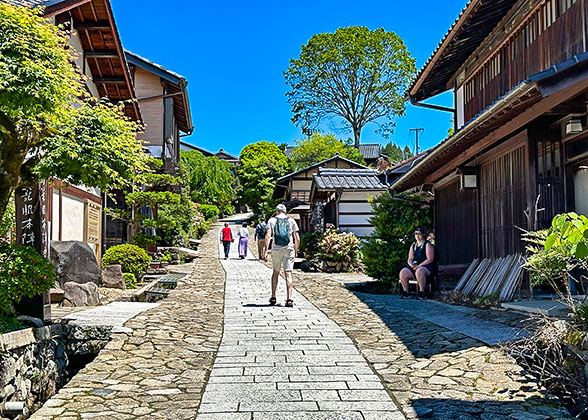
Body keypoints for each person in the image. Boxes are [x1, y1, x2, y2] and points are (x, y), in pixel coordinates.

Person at [264, 204, 300, 307]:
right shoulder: (291, 220)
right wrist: (296, 250)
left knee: (276, 272)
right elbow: (297, 237)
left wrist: (266, 251)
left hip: (276, 249)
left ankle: (273, 296)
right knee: (288, 273)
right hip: (288, 249)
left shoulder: (272, 220)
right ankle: (289, 299)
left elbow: (268, 236)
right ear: (285, 211)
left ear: (276, 211)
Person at [399, 227, 438, 300]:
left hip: (428, 267)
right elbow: (410, 258)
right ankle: (406, 292)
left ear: (423, 235)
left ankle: (421, 292)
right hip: (416, 266)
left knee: (420, 270)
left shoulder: (427, 245)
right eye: (416, 233)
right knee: (403, 272)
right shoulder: (413, 245)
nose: (417, 235)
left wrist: (418, 266)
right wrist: (411, 264)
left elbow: (430, 259)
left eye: (420, 234)